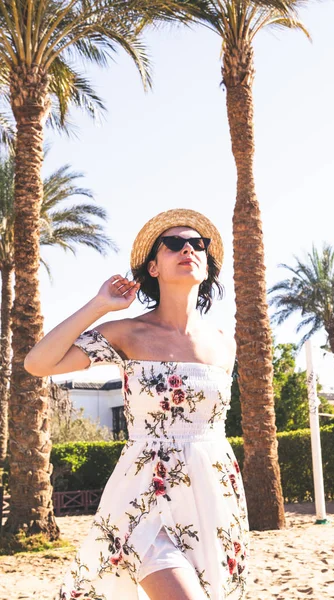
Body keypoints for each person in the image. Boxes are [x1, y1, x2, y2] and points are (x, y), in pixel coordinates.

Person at [25, 208, 250, 600]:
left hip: (212, 492)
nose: (188, 249)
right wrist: (99, 305)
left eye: (198, 244)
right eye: (174, 243)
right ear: (153, 266)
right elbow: (38, 363)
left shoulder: (222, 343)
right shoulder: (127, 332)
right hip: (145, 493)